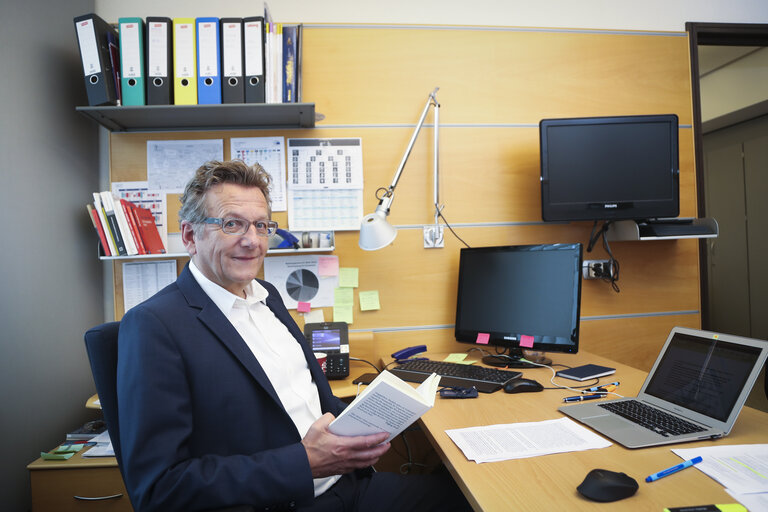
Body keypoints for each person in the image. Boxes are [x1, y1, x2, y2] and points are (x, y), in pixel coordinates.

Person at [117, 160, 471, 512]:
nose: (252, 241)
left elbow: (310, 400)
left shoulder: (268, 295)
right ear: (190, 236)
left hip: (352, 486)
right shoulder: (153, 326)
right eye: (231, 224)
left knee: (468, 497)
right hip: (283, 503)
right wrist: (305, 462)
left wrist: (375, 418)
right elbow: (159, 488)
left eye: (261, 226)